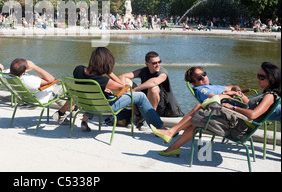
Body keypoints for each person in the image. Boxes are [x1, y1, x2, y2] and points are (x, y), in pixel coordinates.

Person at [150, 62, 281, 157]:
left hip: (238, 129)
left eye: (262, 77)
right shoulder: (266, 94)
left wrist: (233, 107)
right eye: (258, 75)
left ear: (272, 79)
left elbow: (253, 115)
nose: (258, 78)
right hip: (237, 123)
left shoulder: (269, 96)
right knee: (198, 118)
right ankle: (173, 146)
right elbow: (250, 107)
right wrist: (241, 97)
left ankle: (171, 137)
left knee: (198, 116)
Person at [73, 47, 163, 132]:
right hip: (106, 107)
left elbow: (85, 83)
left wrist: (102, 89)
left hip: (86, 104)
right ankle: (159, 127)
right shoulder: (103, 80)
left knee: (93, 98)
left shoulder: (78, 69)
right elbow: (122, 86)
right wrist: (109, 73)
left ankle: (85, 120)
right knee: (141, 96)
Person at [120, 51, 184, 120]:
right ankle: (137, 115)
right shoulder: (143, 71)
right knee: (126, 81)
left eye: (159, 62)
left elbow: (154, 82)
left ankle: (150, 119)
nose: (158, 64)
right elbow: (122, 77)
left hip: (162, 108)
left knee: (154, 88)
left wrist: (134, 90)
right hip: (144, 103)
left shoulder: (162, 73)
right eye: (154, 63)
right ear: (147, 64)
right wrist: (124, 90)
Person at [9, 58, 72, 124]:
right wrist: (34, 66)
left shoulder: (8, 76)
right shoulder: (27, 80)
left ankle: (72, 109)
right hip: (44, 95)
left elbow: (16, 70)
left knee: (61, 95)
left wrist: (27, 70)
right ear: (23, 72)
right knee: (72, 90)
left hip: (30, 97)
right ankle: (61, 113)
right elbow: (51, 79)